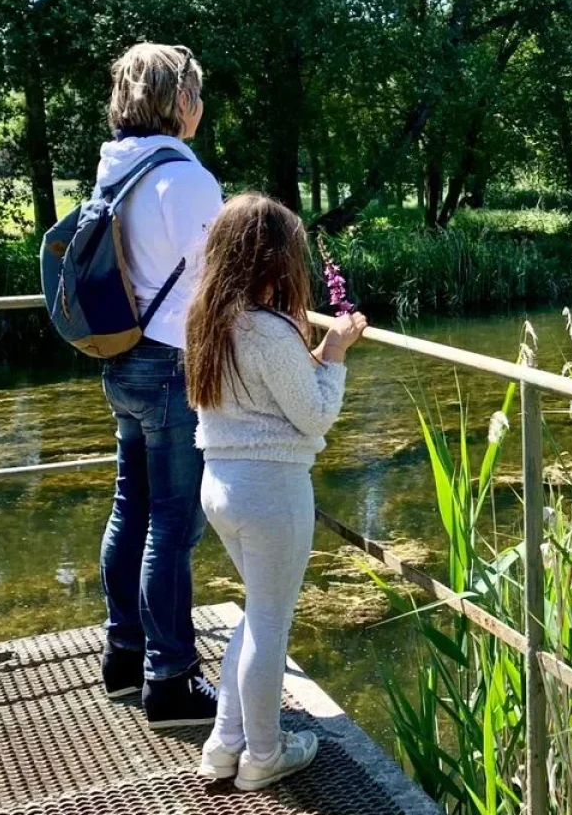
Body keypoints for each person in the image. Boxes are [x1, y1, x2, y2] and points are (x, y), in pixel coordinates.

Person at [184, 194, 368, 790]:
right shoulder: (266, 327)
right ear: (274, 259)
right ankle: (263, 756)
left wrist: (310, 352)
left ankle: (224, 744)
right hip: (270, 490)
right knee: (270, 621)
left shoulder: (210, 318)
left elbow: (265, 392)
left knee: (257, 612)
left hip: (222, 483)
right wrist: (335, 352)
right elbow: (312, 416)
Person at [94, 43, 226, 728]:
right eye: (196, 95)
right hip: (172, 365)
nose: (200, 108)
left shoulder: (114, 168)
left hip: (121, 360)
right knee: (174, 523)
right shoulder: (184, 177)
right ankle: (169, 681)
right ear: (179, 102)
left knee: (131, 510)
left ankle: (124, 657)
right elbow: (217, 282)